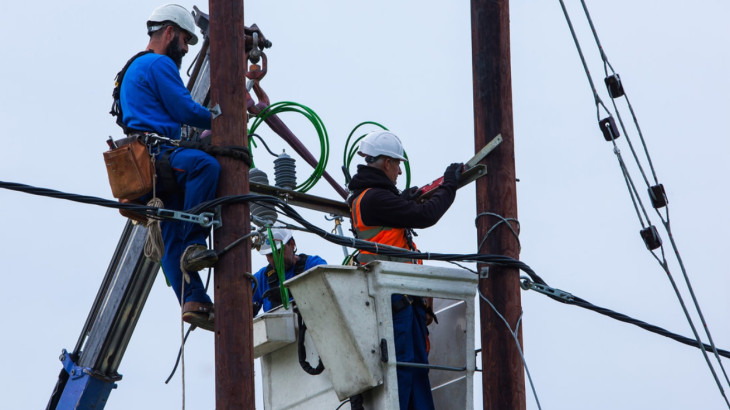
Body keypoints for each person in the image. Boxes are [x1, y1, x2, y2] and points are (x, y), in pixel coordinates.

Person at [119, 4, 219, 331]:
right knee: (205, 167)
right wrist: (225, 117)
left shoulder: (132, 68)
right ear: (170, 32)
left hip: (147, 161)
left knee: (170, 234)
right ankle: (196, 244)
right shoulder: (158, 63)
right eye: (185, 40)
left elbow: (166, 116)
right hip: (159, 155)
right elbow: (184, 108)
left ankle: (194, 300)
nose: (186, 49)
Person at [347, 130, 463, 410]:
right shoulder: (374, 199)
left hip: (400, 301)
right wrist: (449, 187)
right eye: (397, 164)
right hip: (396, 302)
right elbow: (426, 216)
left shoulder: (367, 198)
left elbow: (394, 216)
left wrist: (406, 199)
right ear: (386, 163)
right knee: (404, 375)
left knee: (413, 372)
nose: (400, 171)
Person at [251, 228, 327, 316]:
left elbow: (326, 291)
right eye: (270, 255)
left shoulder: (313, 264)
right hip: (278, 328)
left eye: (279, 251)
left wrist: (290, 292)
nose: (276, 259)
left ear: (292, 244)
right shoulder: (261, 278)